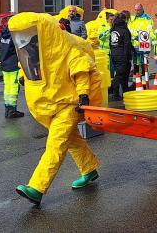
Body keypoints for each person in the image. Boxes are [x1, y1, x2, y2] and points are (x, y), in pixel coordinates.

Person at [10, 12, 102, 206]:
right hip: (50, 102)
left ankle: (36, 187)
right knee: (73, 140)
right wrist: (21, 74)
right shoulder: (37, 46)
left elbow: (81, 70)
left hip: (69, 103)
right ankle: (89, 169)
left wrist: (83, 94)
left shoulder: (68, 47)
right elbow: (26, 62)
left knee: (56, 144)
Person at [0, 19, 24, 119]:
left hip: (4, 64)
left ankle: (7, 109)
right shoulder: (13, 35)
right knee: (14, 88)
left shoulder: (2, 34)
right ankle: (12, 110)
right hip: (13, 65)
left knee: (7, 88)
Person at [109, 12, 133, 101]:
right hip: (122, 55)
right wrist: (128, 57)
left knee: (122, 73)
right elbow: (127, 45)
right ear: (124, 20)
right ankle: (115, 93)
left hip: (114, 54)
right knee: (121, 75)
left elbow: (110, 43)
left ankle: (125, 92)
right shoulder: (124, 30)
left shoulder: (113, 29)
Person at [128, 3, 153, 76]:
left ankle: (145, 82)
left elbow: (147, 32)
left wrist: (136, 35)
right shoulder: (132, 18)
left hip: (143, 45)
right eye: (135, 10)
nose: (136, 12)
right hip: (134, 45)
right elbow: (129, 29)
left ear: (142, 9)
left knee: (143, 63)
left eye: (138, 10)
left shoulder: (147, 19)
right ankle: (136, 82)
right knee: (135, 63)